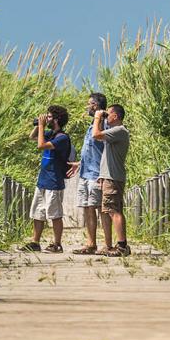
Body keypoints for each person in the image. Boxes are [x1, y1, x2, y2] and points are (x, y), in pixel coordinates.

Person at [22, 105, 71, 253]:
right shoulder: (50, 133)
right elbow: (32, 137)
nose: (46, 118)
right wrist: (39, 125)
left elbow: (41, 145)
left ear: (56, 119)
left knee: (54, 214)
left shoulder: (62, 138)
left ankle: (57, 244)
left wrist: (43, 126)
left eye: (49, 117)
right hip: (43, 180)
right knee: (38, 212)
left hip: (54, 181)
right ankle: (35, 242)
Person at [68, 92, 108, 255]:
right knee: (87, 207)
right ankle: (91, 244)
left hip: (96, 174)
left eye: (89, 103)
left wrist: (104, 173)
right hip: (85, 173)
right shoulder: (92, 125)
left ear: (96, 106)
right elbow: (92, 150)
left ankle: (108, 244)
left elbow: (105, 148)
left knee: (100, 208)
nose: (87, 107)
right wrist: (79, 164)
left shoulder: (104, 124)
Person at [93, 104, 130, 256]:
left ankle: (122, 246)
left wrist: (97, 117)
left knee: (114, 211)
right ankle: (120, 245)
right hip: (110, 177)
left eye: (108, 114)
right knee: (112, 210)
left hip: (113, 177)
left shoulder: (120, 130)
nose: (106, 117)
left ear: (115, 116)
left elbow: (95, 135)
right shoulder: (114, 132)